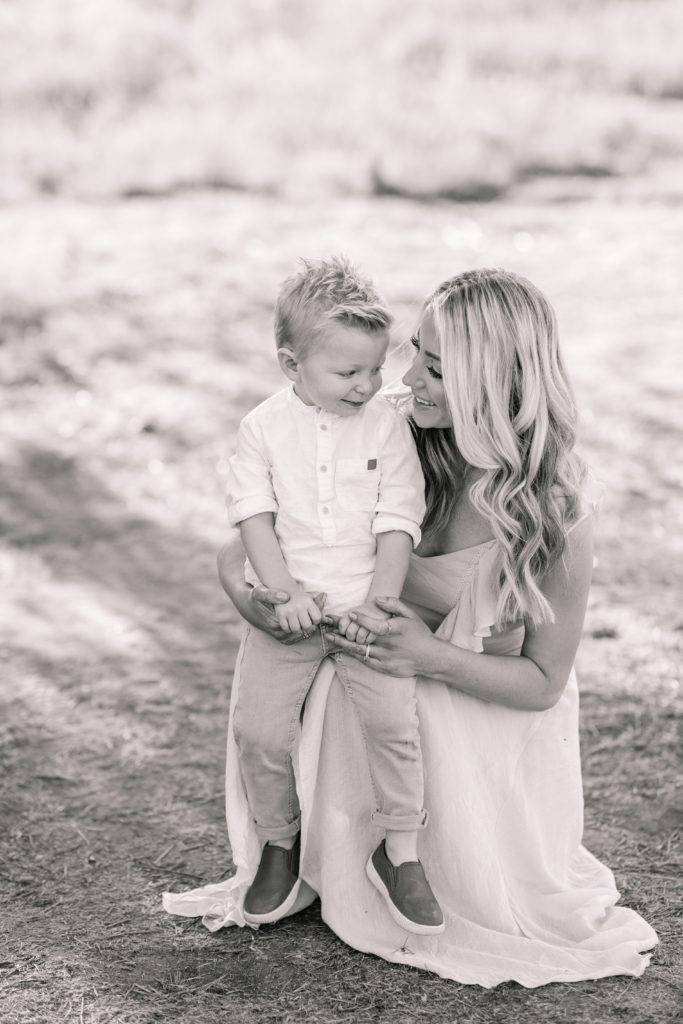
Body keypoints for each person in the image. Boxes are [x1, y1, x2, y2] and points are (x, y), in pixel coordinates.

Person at [164, 267, 658, 988]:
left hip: (478, 696)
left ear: (491, 382)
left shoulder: (553, 510)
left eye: (433, 367)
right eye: (413, 353)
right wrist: (261, 604)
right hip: (369, 650)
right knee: (314, 681)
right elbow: (240, 547)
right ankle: (298, 849)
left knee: (388, 693)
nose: (405, 377)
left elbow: (542, 682)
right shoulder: (382, 422)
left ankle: (402, 857)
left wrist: (426, 654)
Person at [223, 255, 443, 933]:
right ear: (292, 366)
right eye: (346, 373)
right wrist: (281, 594)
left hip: (362, 612)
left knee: (392, 727)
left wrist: (380, 601)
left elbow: (397, 517)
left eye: (373, 369)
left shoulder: (386, 424)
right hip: (291, 615)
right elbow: (252, 514)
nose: (366, 385)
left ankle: (399, 851)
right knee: (258, 731)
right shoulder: (263, 427)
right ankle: (279, 844)